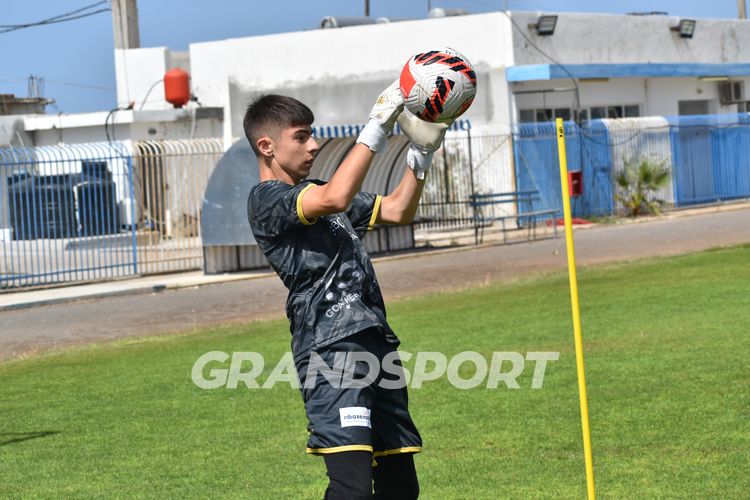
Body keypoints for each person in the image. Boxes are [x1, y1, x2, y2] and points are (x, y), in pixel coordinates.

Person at [245, 82, 449, 499]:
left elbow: (398, 209)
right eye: (301, 137)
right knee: (352, 488)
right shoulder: (266, 200)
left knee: (401, 487)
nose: (313, 145)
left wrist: (421, 154)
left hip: (376, 343)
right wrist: (377, 125)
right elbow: (336, 196)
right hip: (330, 349)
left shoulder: (320, 191)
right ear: (266, 146)